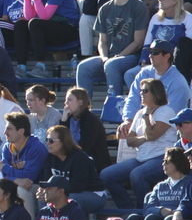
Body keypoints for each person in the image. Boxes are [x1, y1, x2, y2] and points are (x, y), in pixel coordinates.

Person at [104, 78, 176, 209]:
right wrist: (146, 137)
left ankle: (145, 210)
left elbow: (152, 135)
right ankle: (128, 210)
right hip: (141, 158)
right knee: (107, 175)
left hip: (161, 157)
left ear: (156, 93)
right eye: (140, 91)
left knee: (137, 175)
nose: (141, 93)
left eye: (145, 91)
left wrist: (147, 120)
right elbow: (130, 141)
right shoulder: (139, 113)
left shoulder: (166, 111)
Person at [76, 0, 149, 97]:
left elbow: (138, 42)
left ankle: (114, 106)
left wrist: (117, 56)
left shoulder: (138, 6)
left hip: (132, 57)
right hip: (110, 57)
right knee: (83, 67)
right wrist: (104, 58)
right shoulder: (105, 9)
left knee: (112, 64)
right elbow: (102, 41)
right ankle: (83, 109)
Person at [12, 0, 80, 79]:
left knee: (35, 23)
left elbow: (45, 17)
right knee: (21, 24)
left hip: (68, 28)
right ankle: (21, 66)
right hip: (51, 28)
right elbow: (28, 16)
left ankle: (41, 66)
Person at [122, 38, 190, 125]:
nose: (150, 56)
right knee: (123, 134)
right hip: (143, 120)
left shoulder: (178, 80)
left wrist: (152, 124)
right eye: (150, 52)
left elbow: (173, 111)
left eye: (155, 53)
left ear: (167, 56)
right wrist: (128, 120)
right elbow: (133, 98)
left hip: (166, 126)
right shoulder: (143, 73)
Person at [0, 112, 48, 220]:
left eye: (9, 129)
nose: (5, 132)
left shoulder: (36, 147)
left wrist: (5, 168)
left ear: (21, 131)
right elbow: (1, 175)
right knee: (1, 188)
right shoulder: (7, 147)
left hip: (40, 187)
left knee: (21, 190)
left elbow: (28, 178)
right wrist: (16, 180)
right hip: (20, 184)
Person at [43, 126, 106, 214]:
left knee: (68, 200)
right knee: (43, 197)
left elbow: (78, 186)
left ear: (63, 141)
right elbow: (48, 181)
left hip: (93, 194)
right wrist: (44, 190)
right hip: (65, 192)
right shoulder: (50, 157)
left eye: (51, 141)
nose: (47, 143)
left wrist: (56, 193)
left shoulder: (79, 158)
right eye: (47, 140)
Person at [59, 88, 110, 173]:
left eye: (69, 100)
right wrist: (63, 121)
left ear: (80, 102)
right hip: (72, 157)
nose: (65, 103)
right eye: (65, 100)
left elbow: (85, 147)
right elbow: (60, 139)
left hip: (91, 162)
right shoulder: (68, 118)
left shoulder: (91, 121)